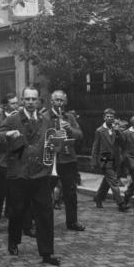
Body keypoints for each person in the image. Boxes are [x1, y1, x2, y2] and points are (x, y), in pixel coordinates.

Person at [0, 86, 61, 266]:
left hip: (40, 174)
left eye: (33, 99)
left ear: (38, 101)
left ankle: (46, 253)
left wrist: (58, 142)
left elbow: (53, 142)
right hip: (19, 174)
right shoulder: (12, 119)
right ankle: (13, 241)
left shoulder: (46, 120)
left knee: (45, 214)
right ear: (22, 100)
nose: (30, 102)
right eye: (27, 99)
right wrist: (7, 133)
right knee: (17, 211)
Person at [45, 90, 85, 231]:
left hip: (68, 159)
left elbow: (79, 135)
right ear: (51, 101)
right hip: (52, 160)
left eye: (62, 101)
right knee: (44, 192)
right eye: (57, 100)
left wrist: (70, 130)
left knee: (70, 192)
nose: (60, 103)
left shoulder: (69, 117)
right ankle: (40, 222)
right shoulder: (45, 116)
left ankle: (72, 222)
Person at [90, 108, 130, 212]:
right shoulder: (99, 131)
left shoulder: (115, 129)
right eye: (107, 116)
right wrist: (93, 161)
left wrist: (118, 132)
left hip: (116, 158)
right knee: (113, 181)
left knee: (107, 182)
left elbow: (123, 142)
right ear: (104, 118)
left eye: (111, 117)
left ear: (114, 118)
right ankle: (121, 203)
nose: (109, 118)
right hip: (105, 158)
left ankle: (98, 197)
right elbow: (95, 146)